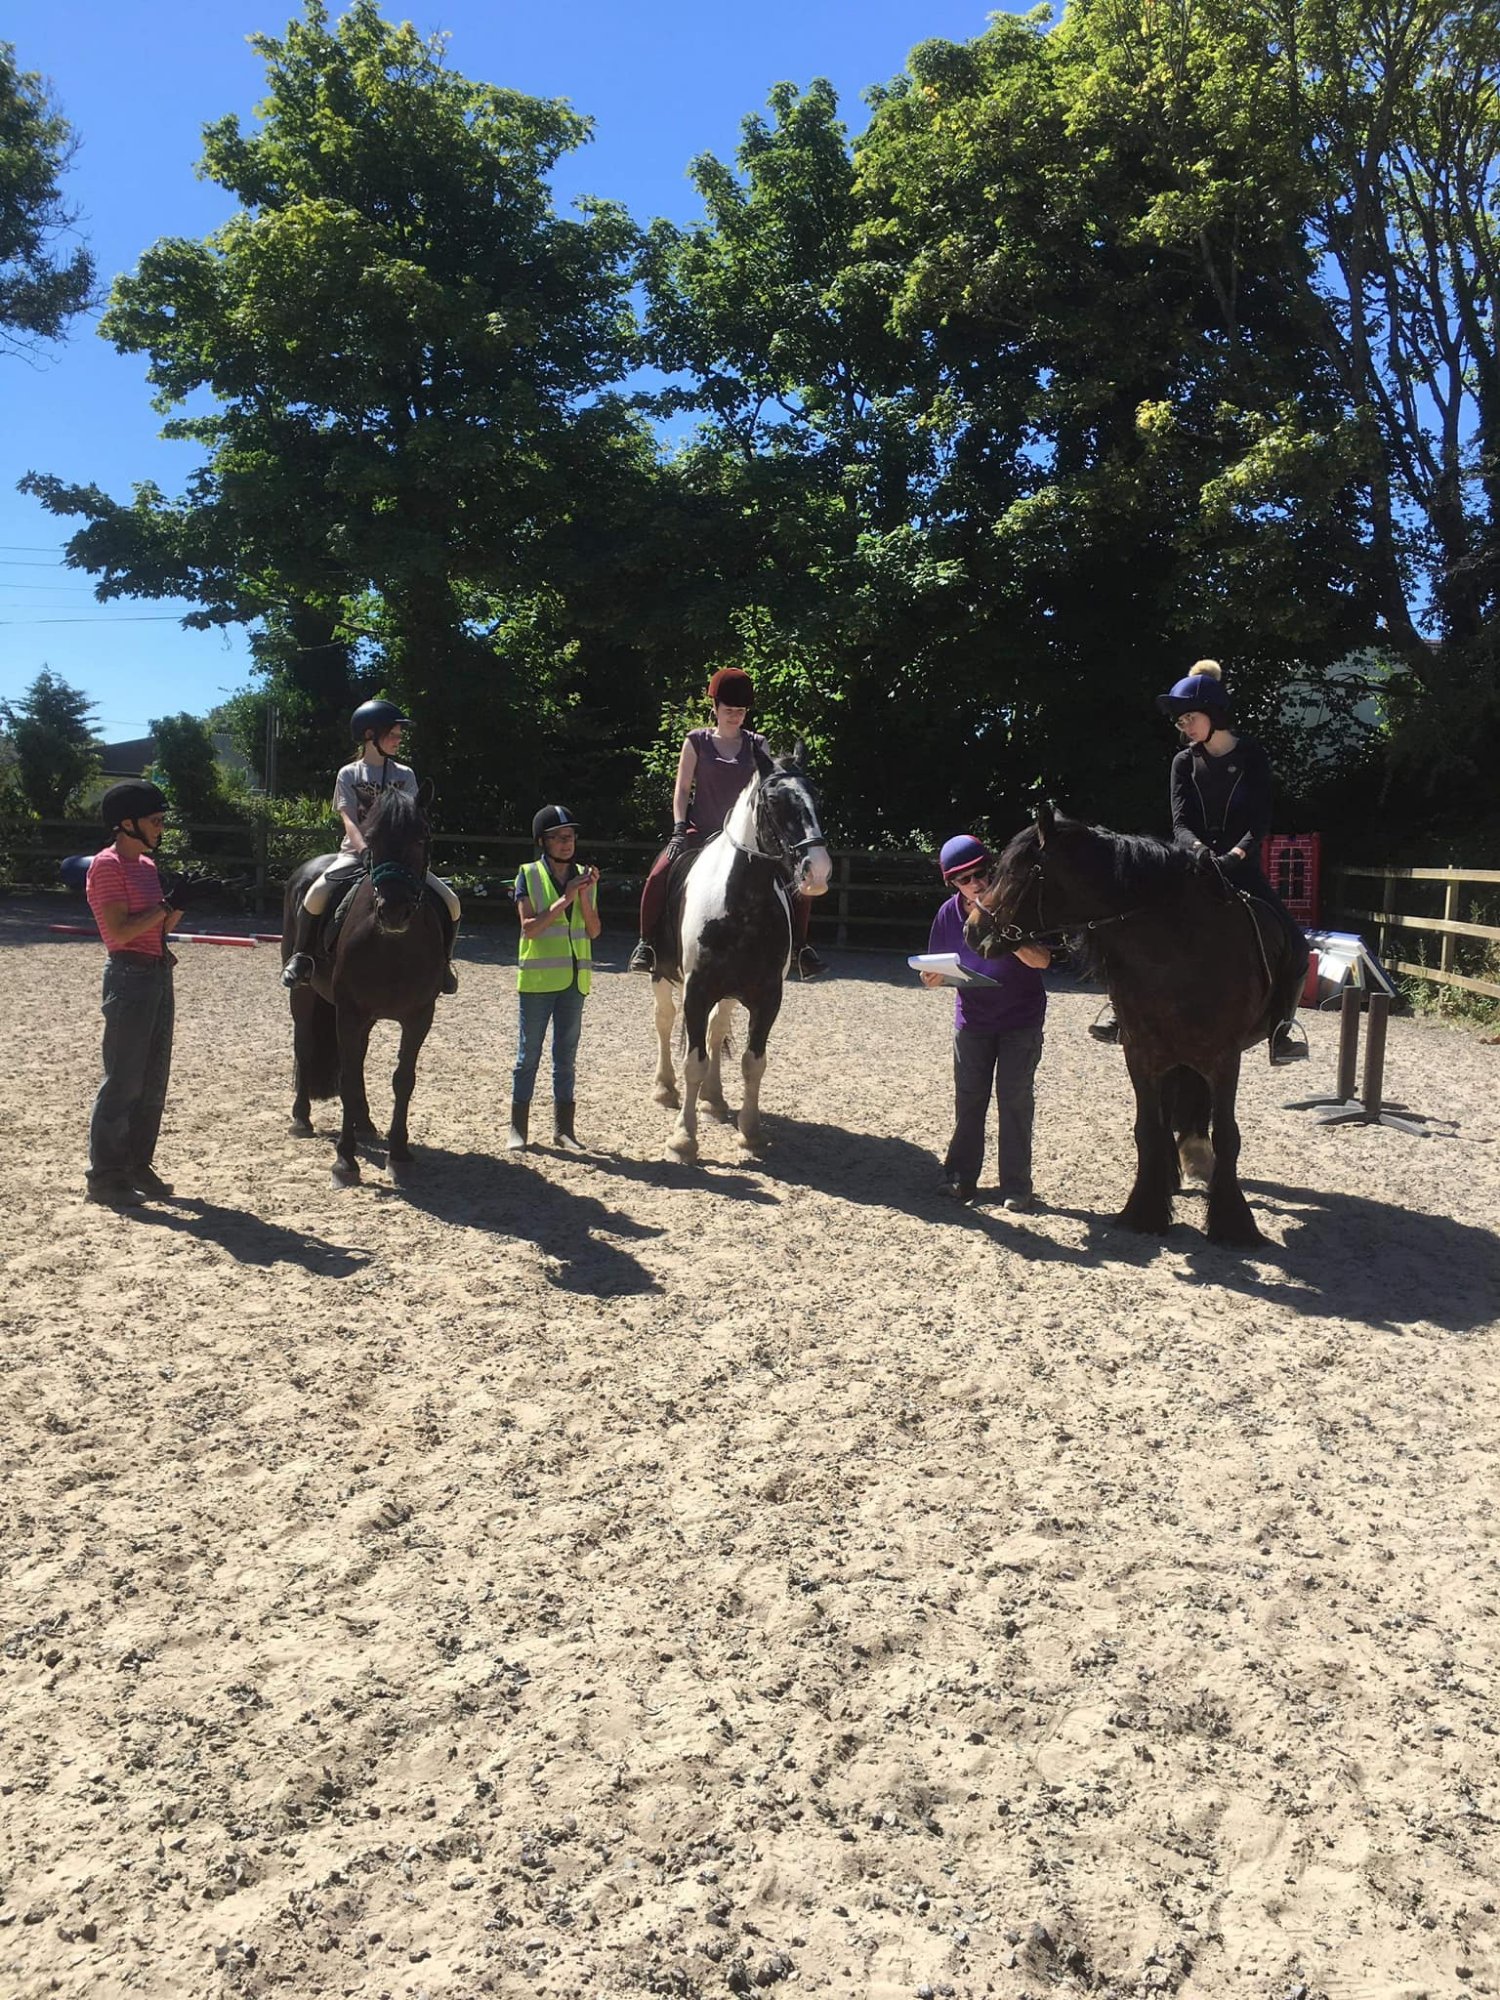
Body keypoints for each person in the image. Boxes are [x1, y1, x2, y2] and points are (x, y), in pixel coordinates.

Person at [1089, 660, 1310, 1059]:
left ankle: (1281, 1029)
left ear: (1213, 713)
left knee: (1296, 944)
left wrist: (1235, 855)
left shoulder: (1252, 756)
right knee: (1133, 922)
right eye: (1180, 721)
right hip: (1192, 864)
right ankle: (1121, 1014)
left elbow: (1259, 820)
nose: (1184, 727)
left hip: (1241, 867)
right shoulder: (1183, 763)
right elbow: (1180, 822)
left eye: (1189, 718)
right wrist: (1201, 854)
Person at [627, 667, 828, 979]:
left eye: (741, 711)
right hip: (701, 829)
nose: (735, 716)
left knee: (795, 880)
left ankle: (801, 947)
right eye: (729, 710)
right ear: (715, 709)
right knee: (658, 873)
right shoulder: (696, 741)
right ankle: (647, 944)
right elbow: (681, 790)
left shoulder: (758, 744)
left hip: (745, 837)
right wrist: (680, 827)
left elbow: (766, 791)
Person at [281, 698, 461, 993]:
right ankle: (302, 958)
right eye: (393, 734)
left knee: (451, 901)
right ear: (369, 735)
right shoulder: (349, 774)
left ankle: (444, 963)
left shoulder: (405, 776)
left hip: (400, 861)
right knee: (316, 893)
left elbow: (414, 817)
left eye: (400, 735)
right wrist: (363, 850)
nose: (398, 740)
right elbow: (348, 818)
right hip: (356, 854)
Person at [922, 834, 1051, 1209]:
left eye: (982, 873)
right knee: (969, 1099)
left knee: (1015, 1100)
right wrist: (931, 978)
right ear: (954, 885)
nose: (976, 883)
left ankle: (1016, 1187)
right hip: (972, 1019)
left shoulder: (1017, 905)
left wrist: (1010, 936)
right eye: (965, 879)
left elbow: (1043, 961)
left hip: (1020, 1020)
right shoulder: (948, 914)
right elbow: (936, 964)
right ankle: (960, 1178)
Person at [83, 782, 184, 1206]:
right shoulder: (107, 867)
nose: (162, 829)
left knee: (152, 1077)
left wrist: (182, 903)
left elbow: (161, 930)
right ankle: (105, 1174)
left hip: (158, 972)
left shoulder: (144, 865)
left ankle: (137, 1162)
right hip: (128, 976)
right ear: (127, 824)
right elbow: (120, 932)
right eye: (155, 821)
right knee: (123, 1078)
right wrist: (165, 906)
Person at [509, 805, 601, 1155]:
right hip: (537, 980)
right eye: (559, 837)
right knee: (527, 1056)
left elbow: (593, 930)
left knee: (566, 1057)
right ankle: (518, 1129)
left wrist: (586, 897)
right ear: (542, 841)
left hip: (575, 981)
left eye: (571, 836)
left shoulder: (585, 876)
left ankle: (564, 1131)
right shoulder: (527, 874)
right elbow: (529, 929)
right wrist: (566, 899)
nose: (567, 843)